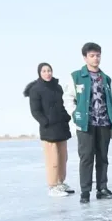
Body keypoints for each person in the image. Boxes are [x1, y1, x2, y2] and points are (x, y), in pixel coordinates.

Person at [62, 42, 112, 204]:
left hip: (104, 123)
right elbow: (68, 98)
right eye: (92, 56)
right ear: (85, 57)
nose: (96, 59)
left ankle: (102, 188)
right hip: (86, 124)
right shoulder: (76, 76)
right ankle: (85, 191)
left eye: (98, 55)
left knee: (102, 157)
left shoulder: (106, 79)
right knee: (86, 157)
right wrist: (75, 114)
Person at [23, 62, 74, 197]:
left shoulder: (57, 87)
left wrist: (66, 118)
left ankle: (60, 182)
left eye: (49, 70)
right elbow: (35, 111)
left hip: (61, 127)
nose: (47, 73)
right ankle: (52, 186)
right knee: (53, 159)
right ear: (40, 73)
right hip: (48, 129)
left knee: (63, 157)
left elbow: (64, 105)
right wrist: (45, 122)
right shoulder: (36, 89)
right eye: (44, 71)